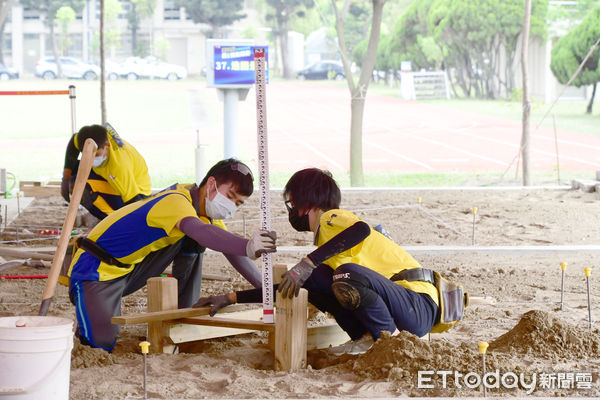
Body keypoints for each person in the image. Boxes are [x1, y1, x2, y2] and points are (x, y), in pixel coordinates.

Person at [196, 168, 441, 355]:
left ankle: (390, 343)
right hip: (406, 308)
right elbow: (291, 288)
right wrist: (231, 298)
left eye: (292, 203)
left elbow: (361, 230)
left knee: (346, 274)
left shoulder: (331, 218)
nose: (292, 210)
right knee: (314, 281)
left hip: (417, 304)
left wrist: (309, 260)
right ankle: (363, 338)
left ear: (306, 203)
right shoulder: (332, 245)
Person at [66, 158, 277, 351]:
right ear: (211, 184)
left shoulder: (202, 211)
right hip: (95, 268)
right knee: (99, 344)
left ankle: (184, 314)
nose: (232, 206)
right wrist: (248, 245)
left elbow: (229, 249)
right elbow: (203, 233)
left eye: (238, 203)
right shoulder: (176, 201)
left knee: (198, 237)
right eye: (230, 196)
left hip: (130, 269)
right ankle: (89, 309)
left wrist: (267, 290)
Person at [61, 123, 152, 220]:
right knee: (74, 171)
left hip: (138, 195)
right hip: (110, 178)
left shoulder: (119, 166)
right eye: (86, 154)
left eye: (95, 155)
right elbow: (73, 142)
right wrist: (66, 178)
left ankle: (111, 220)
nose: (90, 159)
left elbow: (134, 202)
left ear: (107, 146)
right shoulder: (89, 140)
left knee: (81, 188)